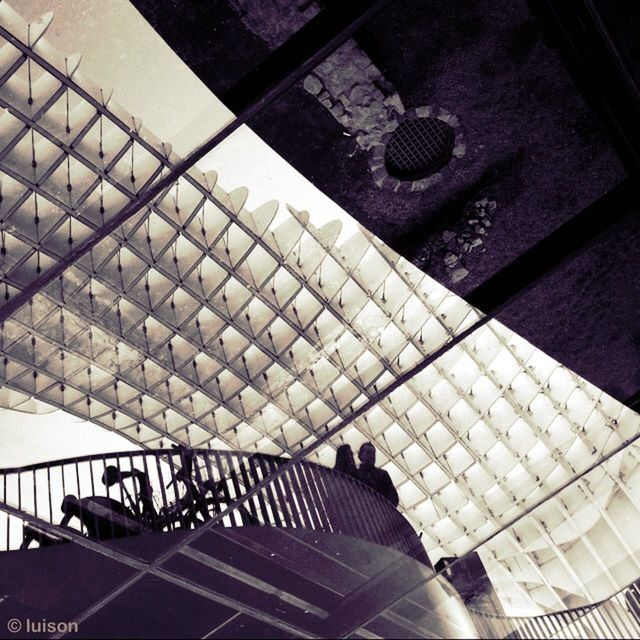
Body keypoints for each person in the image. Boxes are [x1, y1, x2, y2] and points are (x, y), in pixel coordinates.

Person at [357, 442, 399, 507]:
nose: (371, 456)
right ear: (360, 455)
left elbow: (394, 498)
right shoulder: (355, 474)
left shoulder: (383, 474)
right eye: (368, 453)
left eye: (373, 453)